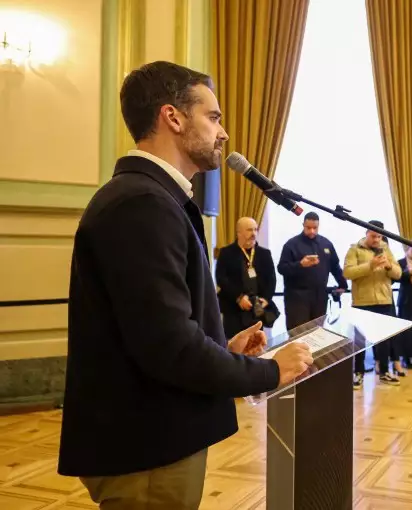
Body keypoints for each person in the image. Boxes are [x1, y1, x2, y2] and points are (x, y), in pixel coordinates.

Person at [57, 61, 313, 510]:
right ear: (172, 117)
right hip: (148, 443)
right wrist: (272, 371)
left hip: (154, 434)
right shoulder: (142, 204)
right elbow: (168, 347)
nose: (223, 133)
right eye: (212, 117)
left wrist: (222, 347)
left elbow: (153, 330)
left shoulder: (151, 198)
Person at [344, 220, 402, 389]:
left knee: (384, 339)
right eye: (373, 236)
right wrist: (370, 265)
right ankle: (358, 373)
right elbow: (347, 272)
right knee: (359, 341)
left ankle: (384, 372)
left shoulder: (386, 249)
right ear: (366, 233)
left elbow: (398, 273)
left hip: (384, 300)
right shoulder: (354, 249)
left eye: (379, 236)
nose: (376, 239)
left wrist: (389, 266)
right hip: (362, 302)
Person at [277, 212, 347, 330]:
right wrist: (300, 264)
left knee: (317, 333)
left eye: (315, 228)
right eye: (308, 228)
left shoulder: (326, 244)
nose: (312, 231)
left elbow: (335, 266)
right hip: (297, 298)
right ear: (303, 225)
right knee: (298, 334)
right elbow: (281, 268)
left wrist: (343, 285)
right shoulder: (291, 244)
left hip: (320, 297)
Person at [215, 217, 278, 339]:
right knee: (234, 344)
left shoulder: (264, 254)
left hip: (257, 308)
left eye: (255, 229)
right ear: (239, 232)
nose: (253, 233)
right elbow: (221, 279)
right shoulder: (226, 253)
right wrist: (239, 297)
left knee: (255, 343)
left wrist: (266, 298)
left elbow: (271, 279)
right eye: (249, 230)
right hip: (234, 308)